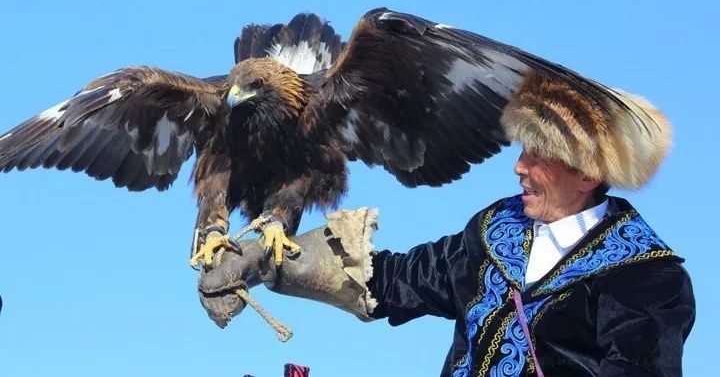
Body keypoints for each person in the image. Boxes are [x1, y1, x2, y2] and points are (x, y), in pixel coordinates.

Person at [199, 76, 695, 377]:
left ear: (588, 174)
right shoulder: (496, 230)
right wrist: (272, 261)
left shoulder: (645, 278)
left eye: (537, 156)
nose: (519, 167)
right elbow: (399, 280)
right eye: (520, 151)